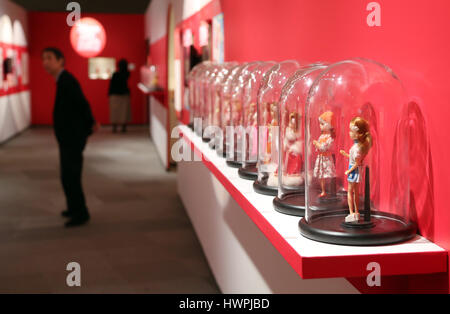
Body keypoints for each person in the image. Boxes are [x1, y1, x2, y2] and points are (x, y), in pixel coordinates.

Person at [42, 47, 96, 227]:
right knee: (67, 175)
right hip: (68, 138)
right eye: (44, 59)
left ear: (60, 61)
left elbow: (82, 104)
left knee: (71, 175)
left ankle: (81, 212)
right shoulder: (62, 80)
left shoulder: (67, 81)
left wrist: (88, 127)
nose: (45, 62)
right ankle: (73, 207)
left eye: (49, 58)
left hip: (72, 138)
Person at [108, 59, 131, 133]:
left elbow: (111, 85)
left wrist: (109, 94)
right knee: (123, 112)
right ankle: (122, 128)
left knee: (115, 112)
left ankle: (115, 127)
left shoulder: (116, 74)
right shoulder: (126, 74)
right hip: (123, 94)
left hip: (115, 95)